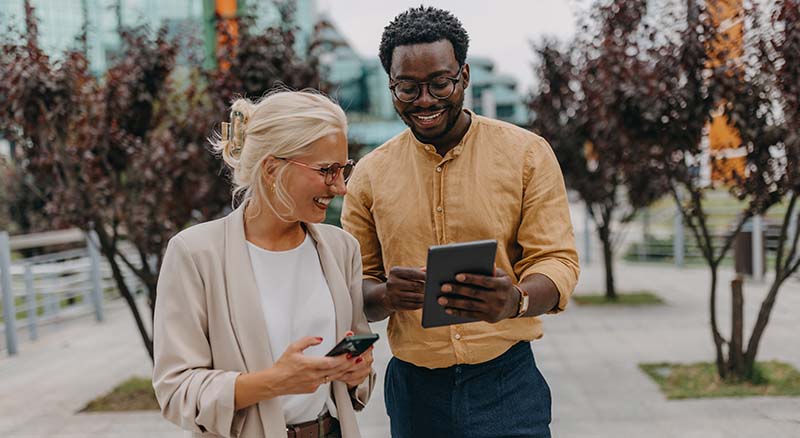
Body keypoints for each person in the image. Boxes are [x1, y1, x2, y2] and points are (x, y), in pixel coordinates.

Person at [341, 6, 579, 438]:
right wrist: (386, 295)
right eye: (407, 89)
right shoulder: (370, 175)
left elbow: (557, 261)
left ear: (464, 77)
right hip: (415, 391)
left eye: (440, 83)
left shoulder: (527, 154)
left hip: (507, 384)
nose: (425, 100)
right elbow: (354, 286)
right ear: (390, 85)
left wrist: (517, 300)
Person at [153, 90, 375, 438]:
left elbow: (357, 371)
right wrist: (273, 382)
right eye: (327, 170)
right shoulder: (195, 254)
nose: (341, 187)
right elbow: (176, 390)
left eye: (344, 169)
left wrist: (357, 373)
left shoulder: (341, 248)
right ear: (272, 169)